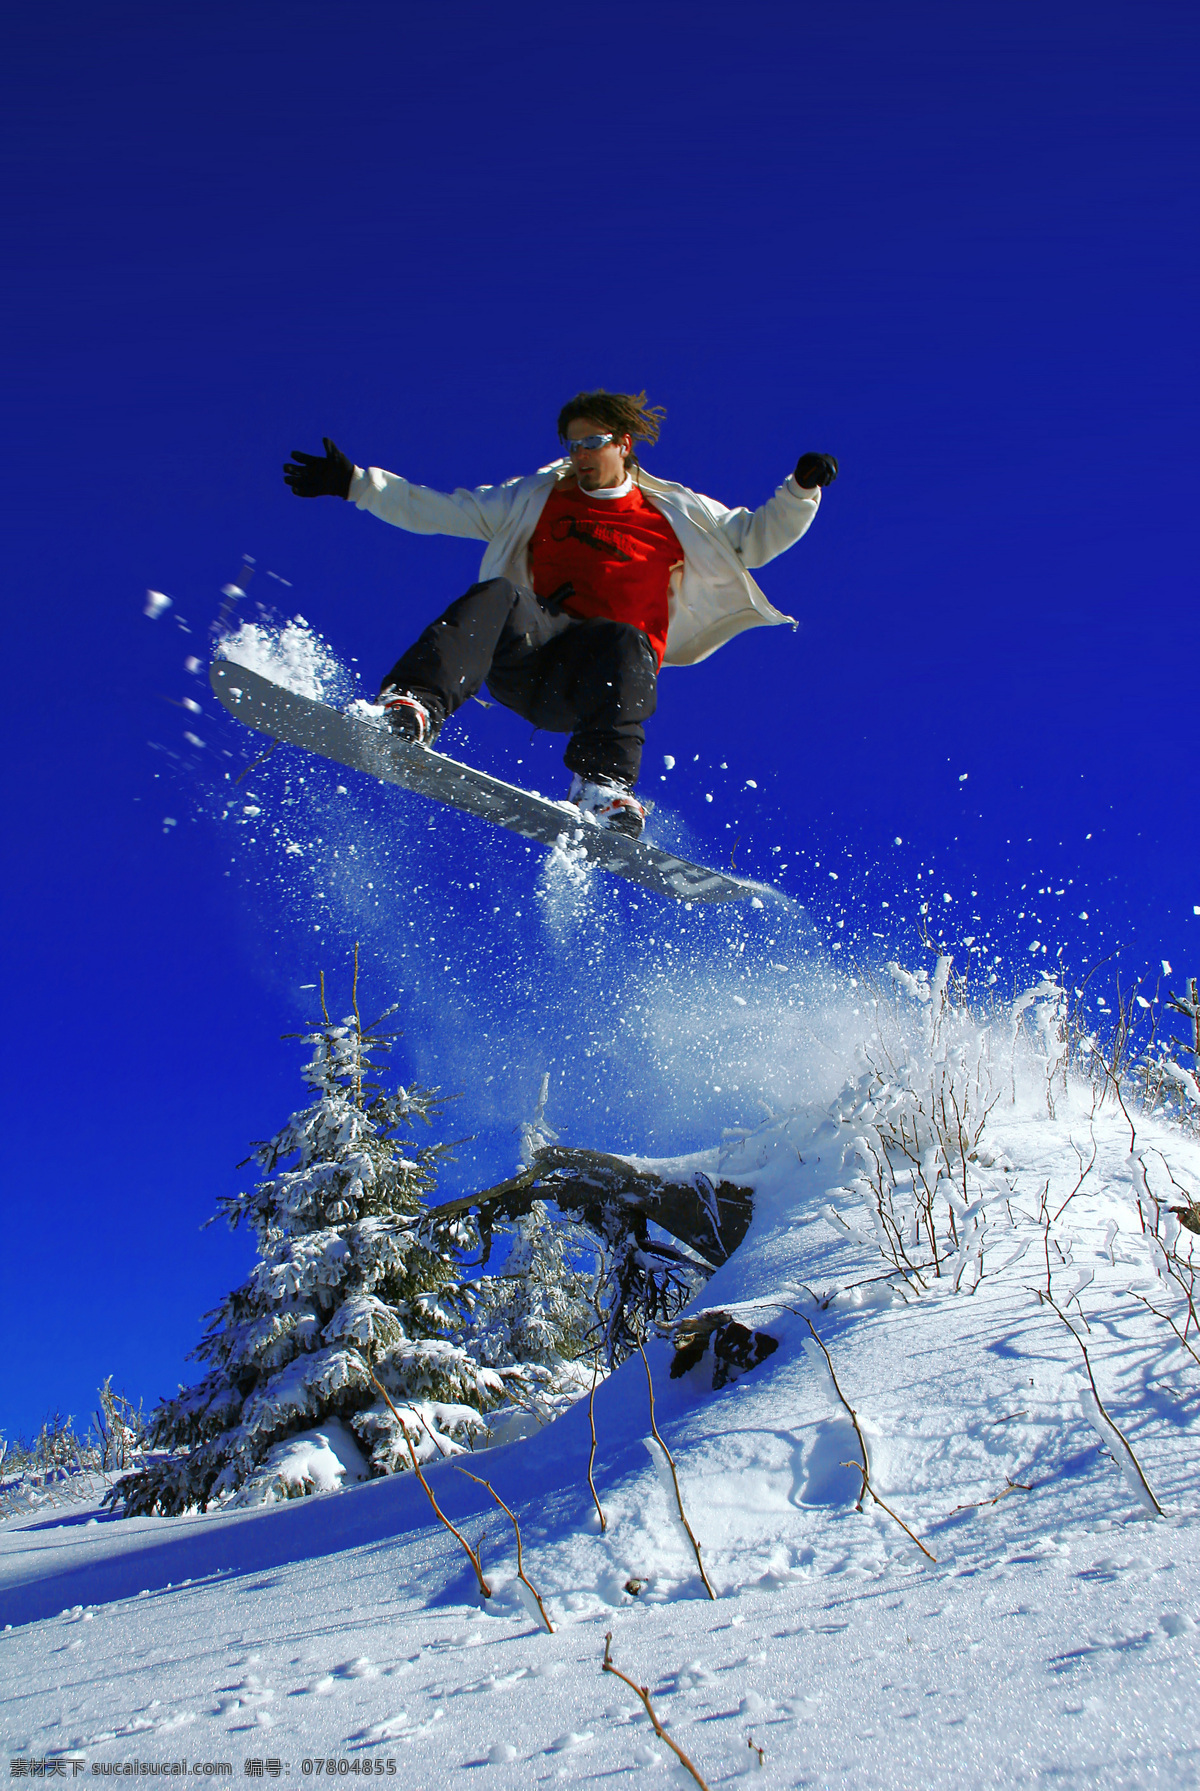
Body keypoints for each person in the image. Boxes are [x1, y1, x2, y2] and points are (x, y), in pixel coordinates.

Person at [283, 391, 836, 839]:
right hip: (529, 656)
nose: (580, 455)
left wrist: (800, 490)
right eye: (572, 445)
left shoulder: (676, 512)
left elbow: (754, 538)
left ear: (622, 444)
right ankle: (412, 707)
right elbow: (445, 509)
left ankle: (602, 786)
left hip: (597, 681)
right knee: (498, 592)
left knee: (625, 637)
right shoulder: (538, 495)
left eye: (592, 442)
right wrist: (355, 483)